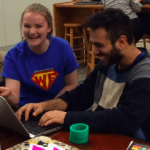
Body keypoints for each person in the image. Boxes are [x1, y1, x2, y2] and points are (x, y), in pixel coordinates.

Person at [16, 8, 150, 142]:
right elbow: (80, 96)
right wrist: (44, 106)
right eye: (92, 44)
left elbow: (124, 120)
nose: (94, 52)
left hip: (129, 141)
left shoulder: (145, 74)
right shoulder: (109, 63)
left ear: (121, 42)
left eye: (99, 45)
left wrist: (66, 118)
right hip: (104, 134)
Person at [0, 3, 79, 107]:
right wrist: (8, 94)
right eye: (27, 26)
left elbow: (72, 85)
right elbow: (14, 100)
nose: (32, 32)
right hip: (26, 110)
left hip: (56, 106)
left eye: (38, 26)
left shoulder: (63, 47)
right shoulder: (13, 55)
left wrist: (49, 105)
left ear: (49, 27)